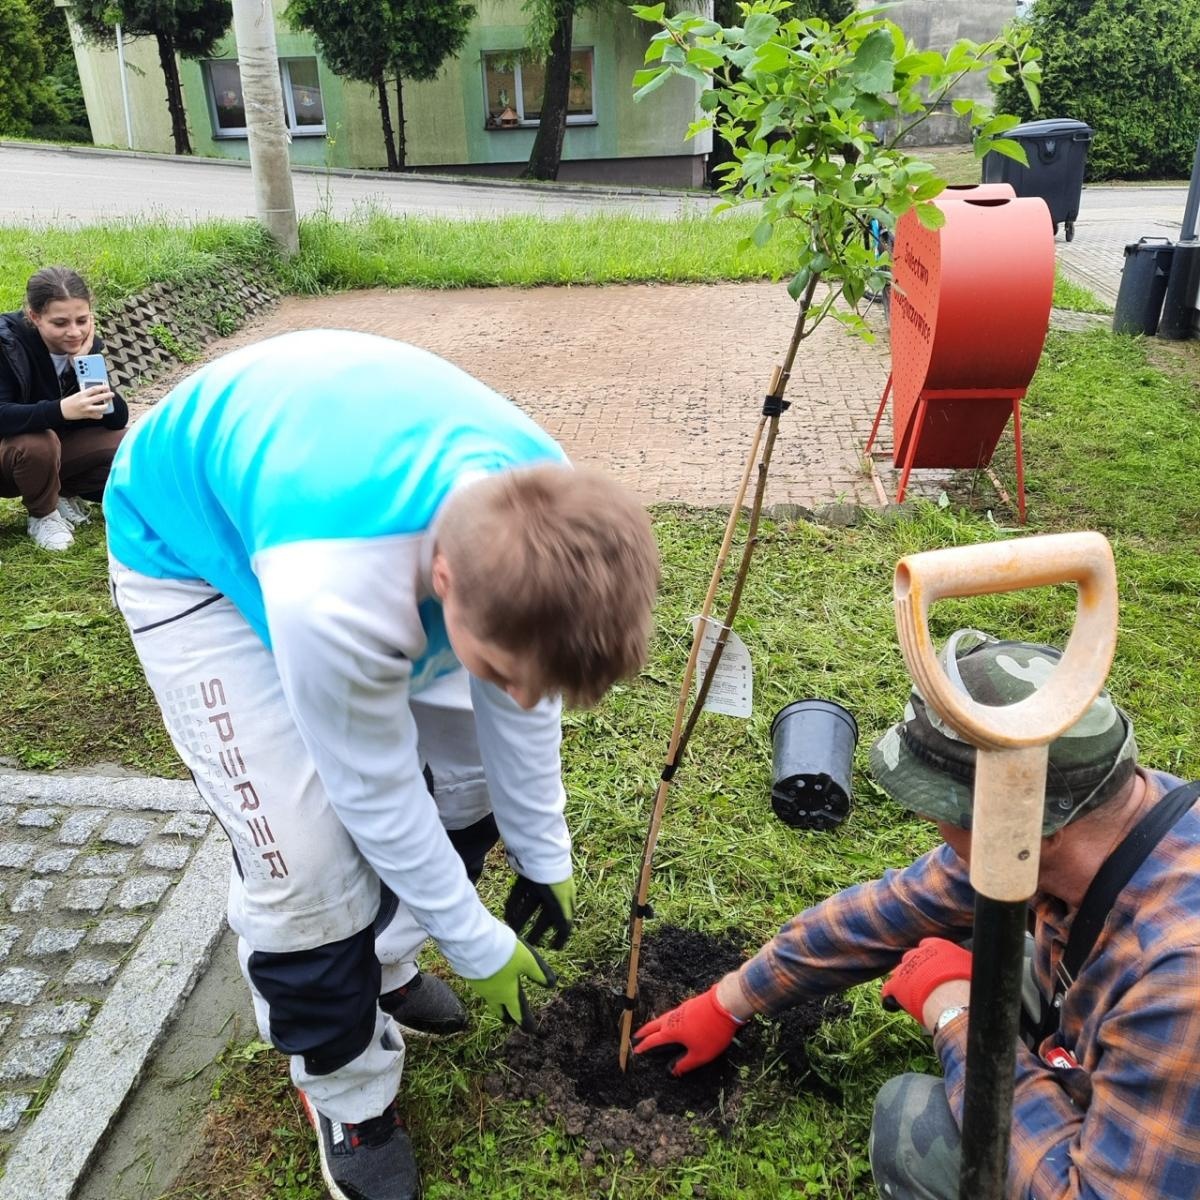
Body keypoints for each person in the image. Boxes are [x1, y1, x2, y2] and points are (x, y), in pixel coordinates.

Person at [103, 329, 660, 1200]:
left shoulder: (546, 508)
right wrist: (475, 940)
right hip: (188, 549)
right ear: (443, 576)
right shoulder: (336, 596)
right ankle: (347, 1090)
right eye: (496, 666)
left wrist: (543, 850)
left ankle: (387, 962)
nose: (515, 692)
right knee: (306, 866)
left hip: (328, 490)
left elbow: (520, 701)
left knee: (469, 776)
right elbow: (375, 791)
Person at [634, 630, 1200, 1200]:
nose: (935, 827)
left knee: (913, 1123)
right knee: (999, 951)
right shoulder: (1095, 821)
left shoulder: (1177, 980)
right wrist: (729, 1001)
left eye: (941, 808)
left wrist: (957, 1017)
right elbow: (896, 909)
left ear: (1020, 823)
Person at [0, 266, 128, 551]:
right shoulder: (6, 343)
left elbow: (115, 418)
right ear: (35, 317)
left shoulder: (83, 345)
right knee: (38, 442)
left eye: (82, 320)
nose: (74, 332)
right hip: (10, 457)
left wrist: (85, 365)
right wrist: (60, 410)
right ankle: (43, 516)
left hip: (55, 454)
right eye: (60, 323)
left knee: (128, 442)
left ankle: (63, 493)